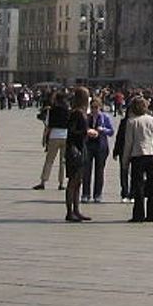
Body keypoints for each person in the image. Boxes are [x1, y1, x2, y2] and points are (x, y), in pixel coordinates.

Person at [121, 96, 153, 223]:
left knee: (138, 185)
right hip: (152, 154)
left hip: (138, 155)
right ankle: (152, 214)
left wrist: (125, 161)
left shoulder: (131, 122)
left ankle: (138, 214)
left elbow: (129, 143)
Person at [64, 87, 93, 222]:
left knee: (78, 182)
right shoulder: (77, 113)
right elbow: (72, 132)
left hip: (80, 149)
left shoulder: (79, 112)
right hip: (75, 150)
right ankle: (70, 212)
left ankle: (76, 210)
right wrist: (86, 132)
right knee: (73, 182)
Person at [33, 90, 70, 190]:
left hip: (54, 136)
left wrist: (45, 138)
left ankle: (43, 182)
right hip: (65, 136)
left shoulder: (52, 110)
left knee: (49, 160)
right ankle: (61, 183)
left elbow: (48, 126)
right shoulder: (68, 110)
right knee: (63, 162)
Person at [82, 96, 114, 203]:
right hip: (88, 145)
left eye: (96, 108)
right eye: (92, 107)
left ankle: (98, 194)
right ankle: (85, 194)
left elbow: (111, 132)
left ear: (100, 107)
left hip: (101, 146)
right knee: (86, 171)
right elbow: (82, 129)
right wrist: (87, 131)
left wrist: (103, 130)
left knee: (99, 171)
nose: (94, 110)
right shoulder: (87, 117)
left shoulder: (105, 117)